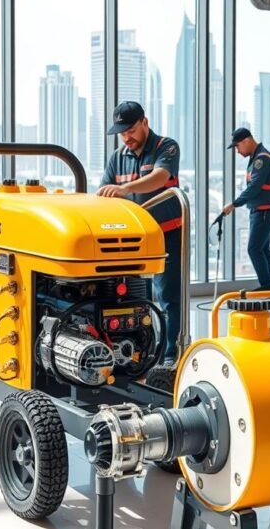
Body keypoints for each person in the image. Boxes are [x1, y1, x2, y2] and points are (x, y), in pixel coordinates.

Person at [97, 101, 183, 367]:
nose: (126, 137)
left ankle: (170, 357)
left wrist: (124, 189)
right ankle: (146, 353)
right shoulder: (117, 158)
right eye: (122, 133)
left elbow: (159, 178)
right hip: (133, 242)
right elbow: (103, 193)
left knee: (167, 298)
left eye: (131, 130)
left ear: (145, 122)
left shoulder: (166, 147)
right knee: (137, 300)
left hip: (166, 235)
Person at [223, 127, 270, 291]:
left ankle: (267, 285)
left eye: (237, 146)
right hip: (262, 210)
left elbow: (254, 187)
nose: (237, 150)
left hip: (265, 211)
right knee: (262, 249)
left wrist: (234, 204)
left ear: (247, 141)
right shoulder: (257, 156)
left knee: (253, 249)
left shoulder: (261, 160)